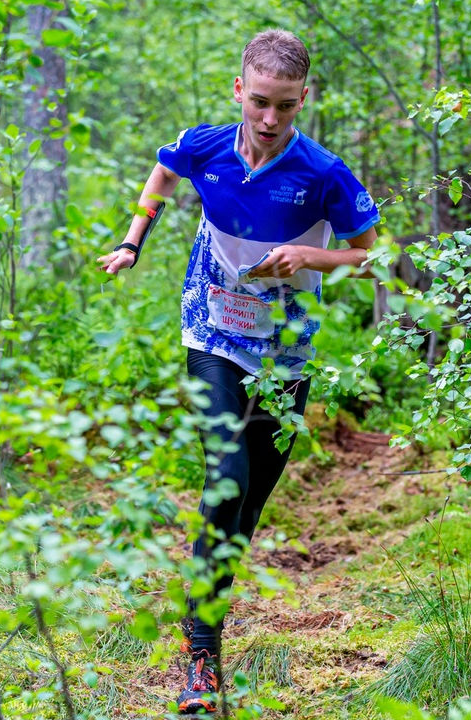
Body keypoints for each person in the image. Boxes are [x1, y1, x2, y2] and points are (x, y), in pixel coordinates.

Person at [96, 29, 379, 714]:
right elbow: (163, 174)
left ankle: (205, 609)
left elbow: (369, 254)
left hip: (285, 355)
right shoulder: (207, 146)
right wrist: (133, 241)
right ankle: (202, 658)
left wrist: (310, 257)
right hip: (211, 331)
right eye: (259, 101)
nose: (270, 118)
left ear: (304, 98)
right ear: (238, 91)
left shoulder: (323, 173)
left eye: (285, 104)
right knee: (227, 478)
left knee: (246, 507)